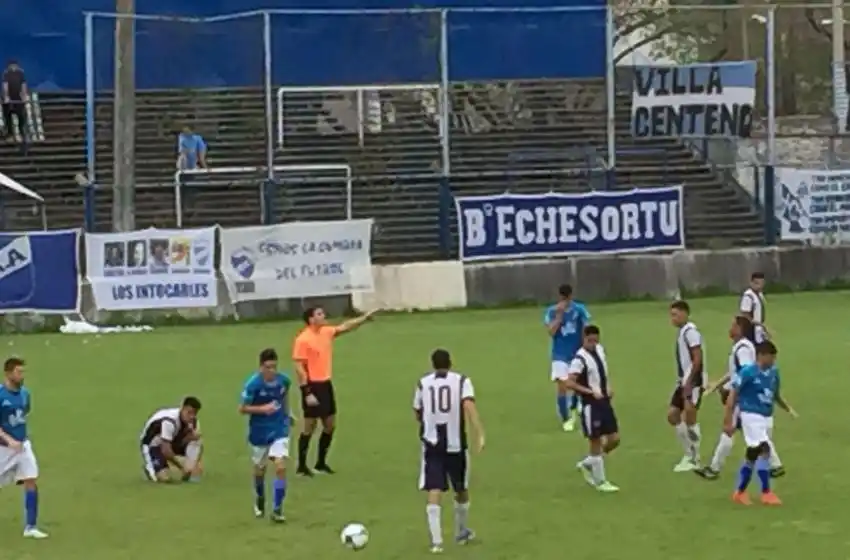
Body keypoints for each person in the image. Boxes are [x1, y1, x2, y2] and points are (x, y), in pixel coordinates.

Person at [293, 306, 378, 476]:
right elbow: (299, 367)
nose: (324, 315)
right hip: (312, 385)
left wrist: (364, 318)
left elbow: (344, 327)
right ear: (311, 319)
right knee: (309, 426)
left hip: (325, 384)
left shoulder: (325, 332)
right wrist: (307, 392)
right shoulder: (303, 339)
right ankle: (302, 466)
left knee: (330, 425)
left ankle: (320, 463)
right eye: (319, 314)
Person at [413, 349, 484, 554]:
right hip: (455, 444)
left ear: (432, 364)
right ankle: (461, 532)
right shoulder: (462, 381)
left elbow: (417, 410)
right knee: (460, 488)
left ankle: (436, 542)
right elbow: (468, 405)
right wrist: (479, 432)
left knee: (434, 488)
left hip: (432, 442)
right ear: (450, 363)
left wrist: (427, 424)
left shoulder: (423, 383)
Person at [726, 341, 797, 506]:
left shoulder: (774, 373)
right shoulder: (747, 372)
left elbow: (776, 395)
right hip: (750, 415)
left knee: (753, 453)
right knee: (765, 448)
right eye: (771, 357)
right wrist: (728, 420)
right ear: (761, 356)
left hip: (766, 417)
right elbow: (733, 395)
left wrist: (788, 409)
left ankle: (740, 491)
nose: (773, 361)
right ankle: (766, 492)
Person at [695, 316, 764, 479]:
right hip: (743, 397)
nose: (730, 328)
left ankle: (714, 468)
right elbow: (734, 373)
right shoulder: (740, 347)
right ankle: (773, 464)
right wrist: (717, 385)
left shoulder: (743, 349)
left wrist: (735, 394)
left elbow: (745, 373)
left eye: (733, 325)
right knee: (746, 432)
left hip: (741, 397)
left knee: (730, 430)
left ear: (740, 329)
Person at [564, 325, 620, 492]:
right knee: (595, 440)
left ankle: (590, 462)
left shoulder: (600, 351)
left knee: (614, 438)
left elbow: (603, 374)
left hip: (604, 401)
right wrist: (590, 392)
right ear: (584, 339)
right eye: (590, 341)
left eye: (596, 340)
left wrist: (608, 387)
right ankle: (600, 481)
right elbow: (569, 382)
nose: (593, 344)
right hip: (590, 405)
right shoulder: (579, 360)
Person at [239, 348, 293, 522]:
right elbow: (242, 409)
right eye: (268, 367)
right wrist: (262, 409)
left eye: (274, 367)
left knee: (280, 467)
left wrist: (288, 413)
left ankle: (277, 509)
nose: (272, 371)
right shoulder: (253, 385)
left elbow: (284, 396)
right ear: (261, 367)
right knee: (260, 471)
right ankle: (260, 498)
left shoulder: (283, 381)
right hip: (259, 432)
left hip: (279, 429)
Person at [0, 357, 47, 539]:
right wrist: (9, 439)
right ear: (8, 373)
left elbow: (24, 412)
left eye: (23, 372)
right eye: (18, 372)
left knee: (31, 479)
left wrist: (20, 438)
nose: (22, 375)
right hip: (4, 448)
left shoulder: (25, 394)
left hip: (23, 445)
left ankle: (31, 526)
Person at [543, 284, 591, 432]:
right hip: (559, 354)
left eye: (566, 298)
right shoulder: (551, 311)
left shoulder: (579, 309)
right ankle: (566, 419)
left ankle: (576, 405)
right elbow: (551, 332)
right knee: (562, 387)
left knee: (577, 385)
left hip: (576, 353)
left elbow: (586, 328)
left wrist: (585, 349)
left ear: (570, 296)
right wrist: (559, 317)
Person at [668, 300, 705, 472]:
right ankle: (688, 452)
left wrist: (690, 382)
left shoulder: (690, 332)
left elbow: (697, 358)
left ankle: (695, 457)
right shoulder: (683, 332)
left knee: (690, 418)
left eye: (675, 314)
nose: (672, 318)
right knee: (673, 415)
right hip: (683, 381)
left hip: (692, 381)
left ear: (685, 313)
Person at [139, 397, 203, 482]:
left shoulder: (194, 422)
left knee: (196, 440)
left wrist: (190, 438)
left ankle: (189, 470)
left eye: (194, 413)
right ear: (182, 409)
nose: (191, 416)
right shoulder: (169, 421)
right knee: (164, 479)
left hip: (171, 440)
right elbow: (166, 450)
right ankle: (150, 467)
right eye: (189, 412)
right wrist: (181, 467)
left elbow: (190, 442)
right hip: (152, 445)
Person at [2, 60, 29, 144]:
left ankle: (22, 134)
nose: (13, 67)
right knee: (8, 116)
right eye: (12, 66)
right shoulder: (6, 74)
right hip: (9, 99)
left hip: (19, 98)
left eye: (14, 65)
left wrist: (24, 96)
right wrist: (6, 96)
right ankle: (10, 134)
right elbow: (5, 85)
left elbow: (23, 85)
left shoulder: (20, 74)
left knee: (21, 117)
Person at [739, 272, 769, 342]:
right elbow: (745, 316)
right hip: (751, 331)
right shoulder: (748, 296)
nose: (759, 286)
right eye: (756, 283)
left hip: (758, 330)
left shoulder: (760, 295)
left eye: (761, 283)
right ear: (751, 283)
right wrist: (761, 325)